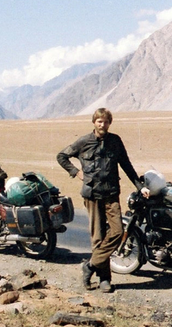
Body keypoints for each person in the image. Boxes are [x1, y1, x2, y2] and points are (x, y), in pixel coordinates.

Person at [57, 108, 149, 293]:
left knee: (117, 232)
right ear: (94, 122)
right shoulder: (84, 142)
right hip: (92, 195)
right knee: (98, 238)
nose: (103, 125)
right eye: (99, 121)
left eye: (106, 122)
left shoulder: (115, 141)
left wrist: (140, 187)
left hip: (111, 194)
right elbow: (62, 156)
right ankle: (104, 279)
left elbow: (126, 165)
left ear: (109, 123)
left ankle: (90, 265)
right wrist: (76, 172)